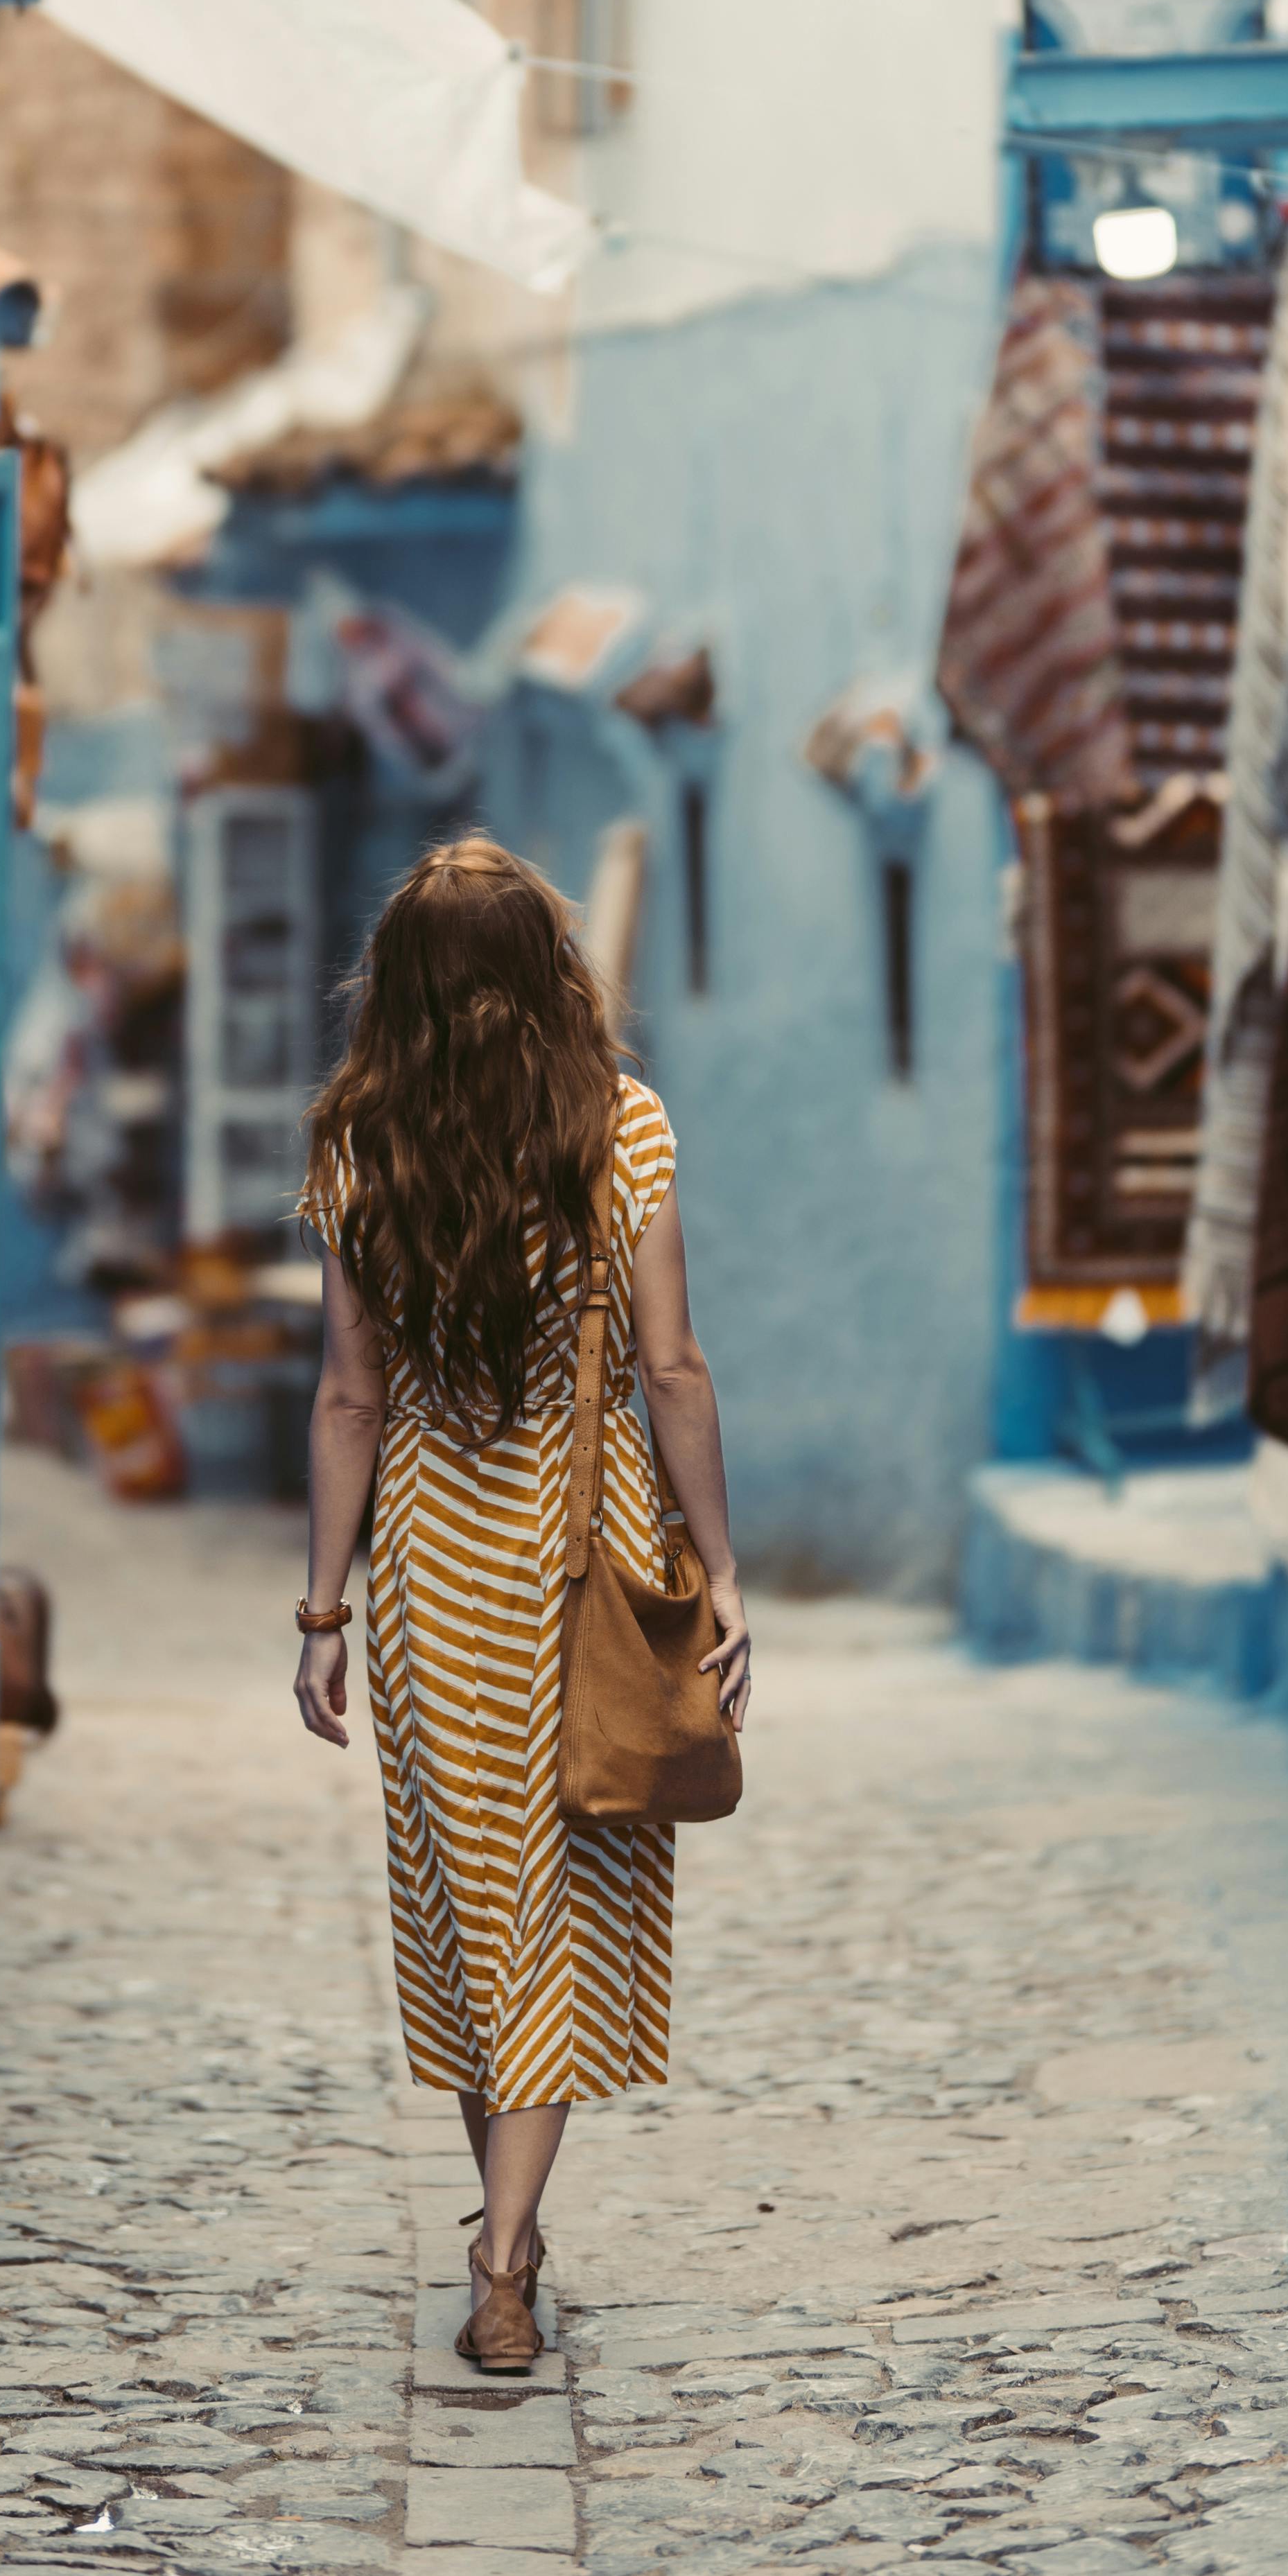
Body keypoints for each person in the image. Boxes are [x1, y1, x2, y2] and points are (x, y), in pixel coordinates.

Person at [292, 835, 750, 2372]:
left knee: (478, 1909)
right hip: (582, 1551)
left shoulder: (360, 1149)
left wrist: (320, 1611)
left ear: (404, 992)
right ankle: (503, 2257)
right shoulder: (622, 1130)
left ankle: (505, 2237)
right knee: (546, 1907)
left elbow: (349, 1401)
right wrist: (721, 1565)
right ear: (547, 970)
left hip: (432, 1569)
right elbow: (670, 1367)